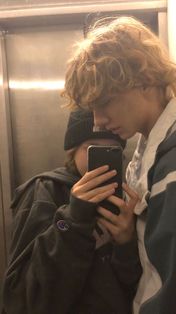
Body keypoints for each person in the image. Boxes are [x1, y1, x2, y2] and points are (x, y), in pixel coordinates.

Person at [62, 16, 176, 314]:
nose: (97, 121)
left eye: (104, 102)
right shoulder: (152, 160)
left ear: (144, 80)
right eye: (92, 108)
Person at [2, 109, 142, 314]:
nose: (102, 162)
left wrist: (126, 244)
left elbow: (130, 285)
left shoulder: (123, 197)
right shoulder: (44, 191)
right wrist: (73, 219)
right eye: (91, 149)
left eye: (112, 150)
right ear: (72, 150)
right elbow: (24, 296)